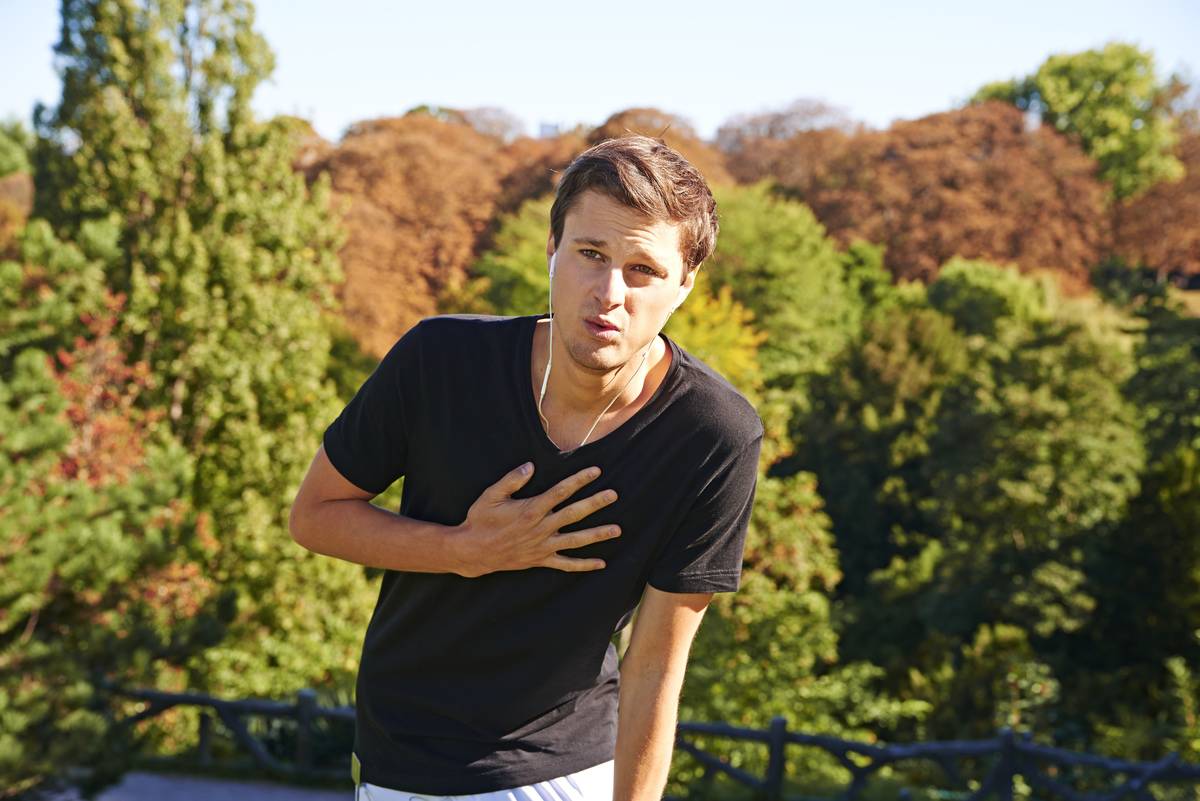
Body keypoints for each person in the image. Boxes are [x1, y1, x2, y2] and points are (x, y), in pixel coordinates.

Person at [289, 135, 764, 801]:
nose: (608, 292)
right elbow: (314, 515)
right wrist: (463, 548)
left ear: (685, 282)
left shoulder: (713, 434)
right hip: (403, 760)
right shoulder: (439, 362)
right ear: (552, 247)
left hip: (564, 768)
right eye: (590, 254)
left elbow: (656, 660)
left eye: (642, 270)